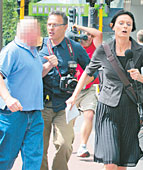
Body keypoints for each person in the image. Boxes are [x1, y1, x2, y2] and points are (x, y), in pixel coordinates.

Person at [66, 10, 143, 170]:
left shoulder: (141, 52)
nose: (125, 26)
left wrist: (142, 78)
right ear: (113, 26)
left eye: (128, 24)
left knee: (122, 165)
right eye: (121, 23)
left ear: (132, 29)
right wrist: (74, 96)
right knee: (111, 162)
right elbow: (88, 73)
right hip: (107, 110)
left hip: (130, 111)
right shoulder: (104, 50)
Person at [39, 11, 96, 170]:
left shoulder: (75, 48)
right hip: (41, 104)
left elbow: (92, 70)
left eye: (55, 25)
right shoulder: (39, 46)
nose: (51, 28)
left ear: (65, 27)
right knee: (39, 148)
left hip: (65, 105)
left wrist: (80, 86)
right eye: (49, 24)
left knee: (64, 144)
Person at [0, 17, 49, 170]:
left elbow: (35, 74)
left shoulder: (33, 52)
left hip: (34, 114)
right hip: (13, 115)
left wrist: (49, 66)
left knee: (33, 158)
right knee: (5, 158)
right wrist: (8, 98)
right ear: (27, 32)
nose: (40, 34)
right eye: (37, 30)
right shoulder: (11, 50)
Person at [72, 24, 103, 157]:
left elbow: (99, 34)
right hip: (72, 89)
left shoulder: (95, 49)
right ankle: (68, 142)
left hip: (89, 88)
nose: (87, 37)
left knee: (89, 115)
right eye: (84, 35)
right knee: (69, 120)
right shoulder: (73, 48)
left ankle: (83, 146)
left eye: (90, 35)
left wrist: (80, 27)